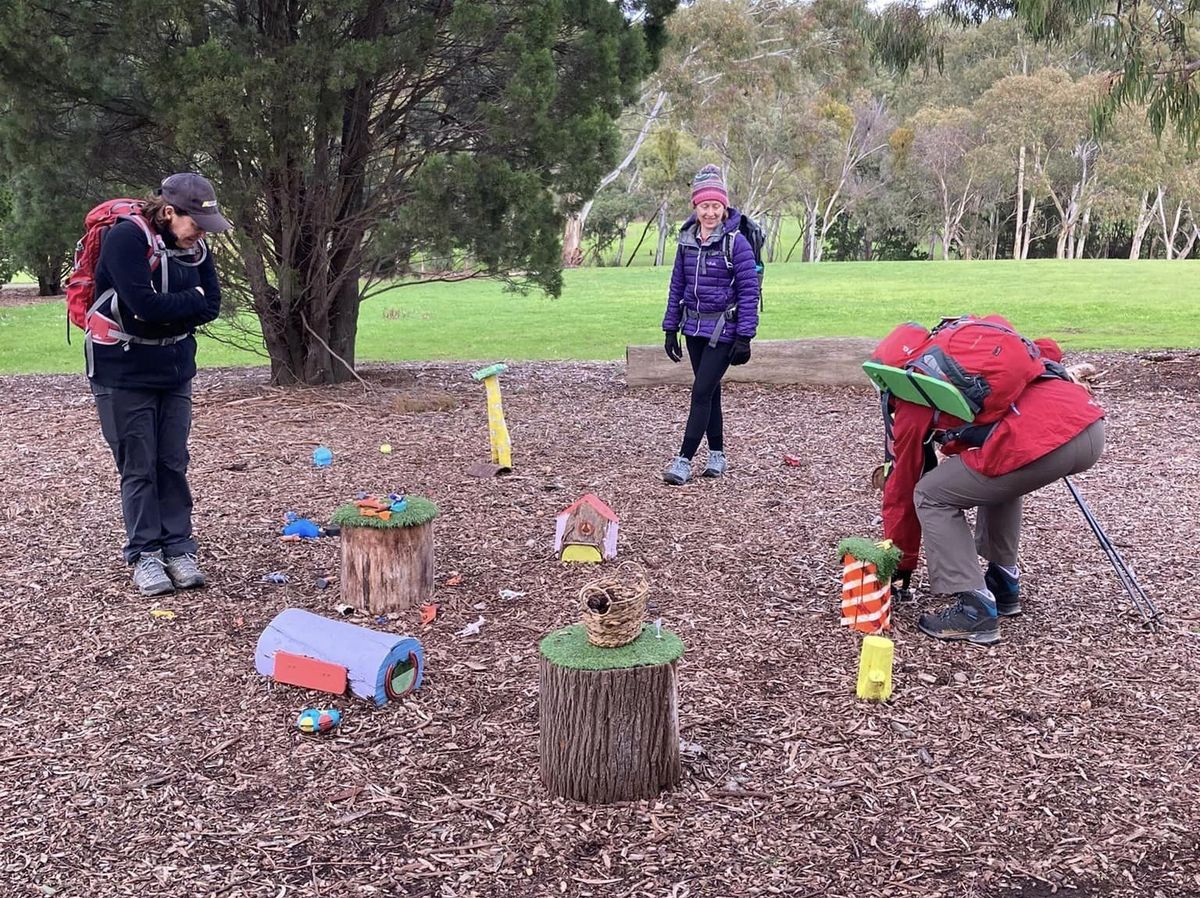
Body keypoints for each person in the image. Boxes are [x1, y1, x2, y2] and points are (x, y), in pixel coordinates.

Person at [880, 327, 1105, 645]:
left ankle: (975, 610)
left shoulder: (916, 390)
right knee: (995, 472)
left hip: (1043, 443)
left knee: (930, 493)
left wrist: (901, 560)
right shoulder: (971, 353)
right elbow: (1047, 351)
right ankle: (1003, 583)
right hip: (1087, 425)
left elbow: (903, 484)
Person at [87, 172, 231, 596]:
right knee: (138, 466)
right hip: (123, 371)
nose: (202, 235)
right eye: (196, 224)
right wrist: (186, 305)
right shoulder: (126, 240)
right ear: (169, 211)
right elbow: (142, 307)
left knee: (172, 461)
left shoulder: (195, 246)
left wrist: (171, 313)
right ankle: (145, 554)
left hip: (174, 369)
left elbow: (213, 307)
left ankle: (179, 548)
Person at [660, 164, 759, 484]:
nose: (711, 212)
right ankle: (717, 454)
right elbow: (677, 284)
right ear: (695, 207)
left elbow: (748, 290)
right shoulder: (686, 240)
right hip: (693, 329)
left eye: (716, 206)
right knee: (710, 391)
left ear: (724, 207)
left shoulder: (737, 243)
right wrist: (670, 328)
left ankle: (684, 459)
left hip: (724, 331)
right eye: (705, 205)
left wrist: (744, 336)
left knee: (700, 392)